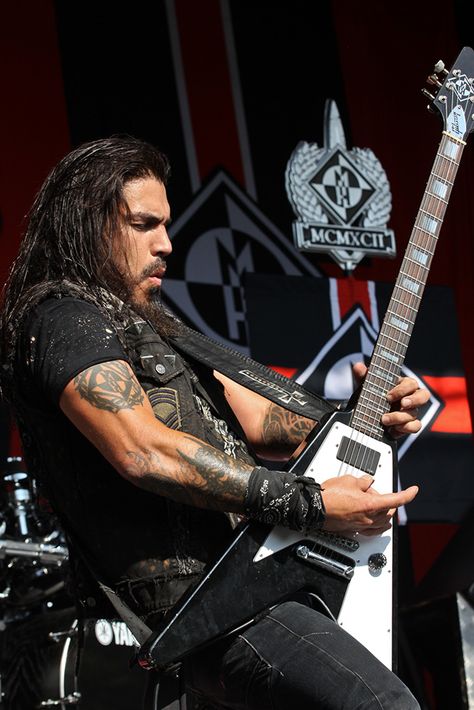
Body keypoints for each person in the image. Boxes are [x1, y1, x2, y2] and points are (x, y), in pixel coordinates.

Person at [0, 136, 428, 709]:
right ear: (89, 222)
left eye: (167, 225)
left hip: (248, 583)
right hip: (211, 609)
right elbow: (143, 451)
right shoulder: (62, 317)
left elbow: (257, 420)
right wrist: (314, 504)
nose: (167, 244)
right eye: (145, 224)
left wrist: (362, 417)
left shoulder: (156, 324)